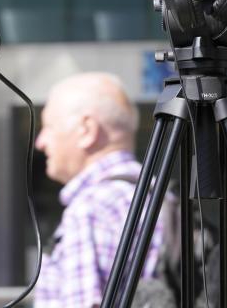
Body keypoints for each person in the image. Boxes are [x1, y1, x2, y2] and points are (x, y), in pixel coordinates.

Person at [33, 72, 166, 308]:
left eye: (49, 126)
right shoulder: (163, 198)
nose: (40, 142)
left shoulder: (90, 210)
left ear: (87, 129)